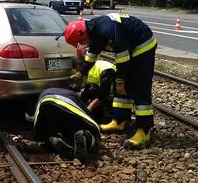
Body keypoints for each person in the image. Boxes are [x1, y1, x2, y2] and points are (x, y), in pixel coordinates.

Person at [64, 13, 157, 149]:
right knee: (122, 88)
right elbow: (91, 55)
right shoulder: (93, 31)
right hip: (129, 48)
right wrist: (81, 73)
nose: (82, 46)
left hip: (142, 45)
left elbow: (122, 60)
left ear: (83, 36)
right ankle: (120, 120)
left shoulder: (108, 31)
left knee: (138, 87)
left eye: (81, 43)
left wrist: (121, 81)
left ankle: (144, 130)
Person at [30, 87, 101, 162]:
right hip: (68, 102)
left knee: (50, 132)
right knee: (82, 130)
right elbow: (87, 115)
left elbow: (32, 118)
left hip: (46, 103)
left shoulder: (39, 96)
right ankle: (85, 136)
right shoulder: (72, 93)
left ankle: (53, 138)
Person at [73, 56, 116, 124]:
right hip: (104, 81)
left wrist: (89, 108)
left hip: (110, 76)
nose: (78, 72)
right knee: (91, 93)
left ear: (79, 64)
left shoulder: (97, 69)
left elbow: (103, 94)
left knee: (106, 99)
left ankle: (110, 118)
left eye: (77, 69)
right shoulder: (87, 71)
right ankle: (99, 117)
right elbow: (87, 93)